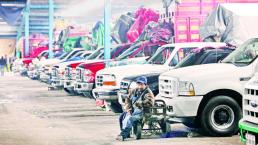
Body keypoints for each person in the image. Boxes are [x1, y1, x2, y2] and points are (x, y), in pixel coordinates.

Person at [116, 76, 154, 141]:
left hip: (143, 112)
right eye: (138, 84)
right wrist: (129, 109)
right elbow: (127, 99)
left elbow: (150, 103)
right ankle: (126, 133)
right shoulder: (134, 90)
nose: (139, 86)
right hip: (133, 110)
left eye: (141, 84)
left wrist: (140, 103)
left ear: (145, 84)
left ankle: (123, 135)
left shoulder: (148, 93)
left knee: (130, 119)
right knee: (121, 117)